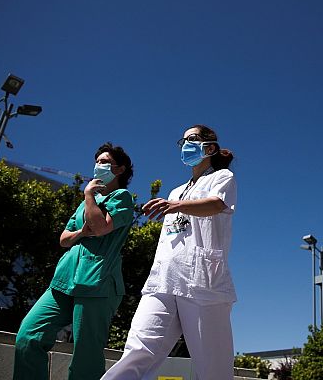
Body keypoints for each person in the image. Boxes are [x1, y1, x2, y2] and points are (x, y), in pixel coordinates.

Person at [101, 124, 237, 380]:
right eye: (183, 141)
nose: (185, 145)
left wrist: (175, 206)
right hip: (164, 279)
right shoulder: (176, 191)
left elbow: (217, 204)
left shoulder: (221, 178)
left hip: (203, 281)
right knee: (138, 349)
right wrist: (174, 204)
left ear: (209, 147)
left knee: (212, 368)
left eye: (192, 139)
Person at [13, 143, 135, 380]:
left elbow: (100, 227)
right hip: (64, 280)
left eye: (104, 162)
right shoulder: (85, 205)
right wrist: (81, 233)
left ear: (119, 169)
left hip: (97, 283)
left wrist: (89, 195)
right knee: (28, 336)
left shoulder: (122, 197)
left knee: (85, 356)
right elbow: (64, 239)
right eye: (97, 161)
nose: (97, 166)